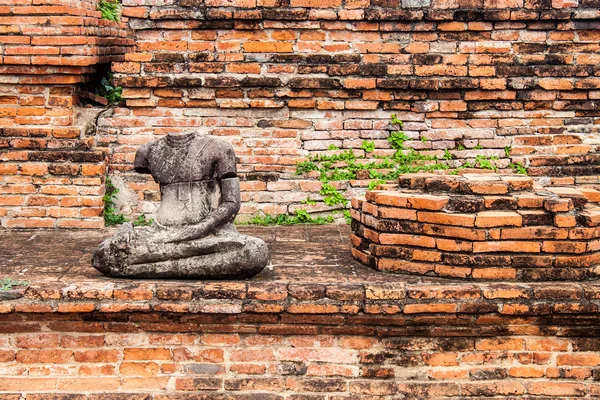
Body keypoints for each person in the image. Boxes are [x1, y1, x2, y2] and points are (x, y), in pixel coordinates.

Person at [92, 132, 270, 279]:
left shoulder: (219, 148)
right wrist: (127, 229)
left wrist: (202, 227)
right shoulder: (147, 150)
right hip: (160, 233)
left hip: (206, 234)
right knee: (106, 253)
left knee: (254, 251)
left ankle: (145, 265)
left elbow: (231, 203)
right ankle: (180, 263)